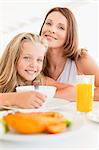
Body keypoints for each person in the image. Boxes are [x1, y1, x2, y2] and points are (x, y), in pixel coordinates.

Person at [0, 32, 75, 109]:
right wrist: (16, 98)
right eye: (27, 58)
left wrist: (40, 97)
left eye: (39, 60)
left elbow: (75, 92)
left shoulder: (39, 81)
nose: (34, 65)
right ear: (13, 59)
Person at [39, 7, 99, 100]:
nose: (52, 30)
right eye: (48, 23)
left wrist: (79, 94)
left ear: (70, 34)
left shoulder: (81, 59)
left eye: (61, 27)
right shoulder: (33, 59)